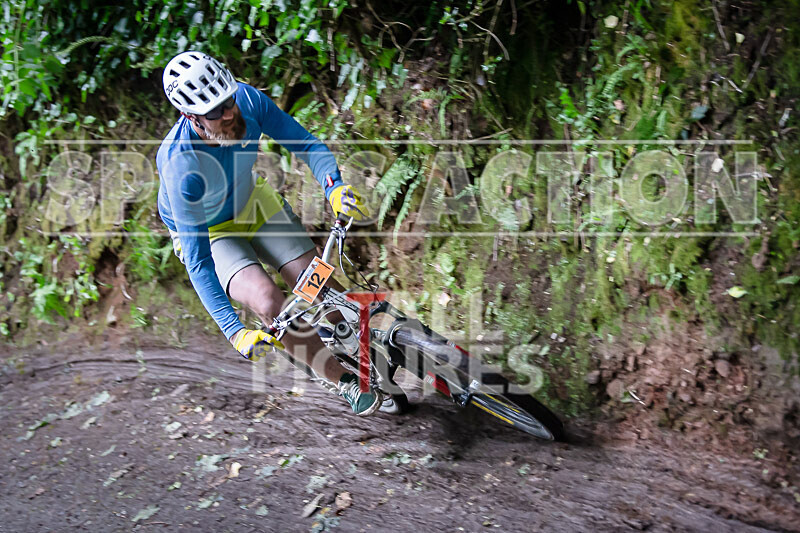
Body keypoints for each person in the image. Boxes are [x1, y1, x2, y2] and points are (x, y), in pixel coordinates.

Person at [156, 51, 379, 415]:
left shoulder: (247, 100)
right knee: (267, 301)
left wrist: (334, 187)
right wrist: (234, 331)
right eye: (215, 111)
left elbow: (305, 143)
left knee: (315, 279)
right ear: (191, 117)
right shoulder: (181, 165)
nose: (229, 113)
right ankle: (344, 382)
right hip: (210, 232)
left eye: (227, 100)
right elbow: (199, 264)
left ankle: (353, 336)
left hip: (250, 200)